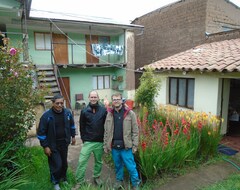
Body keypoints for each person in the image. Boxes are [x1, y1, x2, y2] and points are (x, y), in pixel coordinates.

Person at [37, 94, 76, 190]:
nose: (59, 105)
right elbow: (41, 133)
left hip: (64, 143)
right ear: (52, 103)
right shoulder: (46, 116)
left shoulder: (67, 113)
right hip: (52, 145)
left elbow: (72, 125)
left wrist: (73, 136)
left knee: (64, 163)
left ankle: (64, 178)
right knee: (56, 164)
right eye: (57, 103)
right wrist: (45, 146)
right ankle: (55, 182)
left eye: (61, 103)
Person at [103, 93, 141, 190]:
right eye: (114, 99)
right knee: (118, 166)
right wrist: (105, 145)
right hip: (115, 146)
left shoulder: (130, 113)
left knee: (131, 166)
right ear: (112, 101)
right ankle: (119, 181)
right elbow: (106, 131)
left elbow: (135, 131)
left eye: (118, 99)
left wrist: (135, 145)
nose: (116, 101)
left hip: (126, 147)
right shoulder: (110, 114)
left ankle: (135, 183)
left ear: (122, 100)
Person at [76, 90, 107, 186]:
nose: (93, 99)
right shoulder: (84, 111)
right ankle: (79, 181)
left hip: (99, 141)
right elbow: (82, 126)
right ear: (89, 98)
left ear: (98, 98)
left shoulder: (103, 110)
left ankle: (96, 177)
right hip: (88, 142)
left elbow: (106, 125)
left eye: (95, 97)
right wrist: (84, 139)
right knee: (82, 161)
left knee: (98, 161)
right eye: (91, 97)